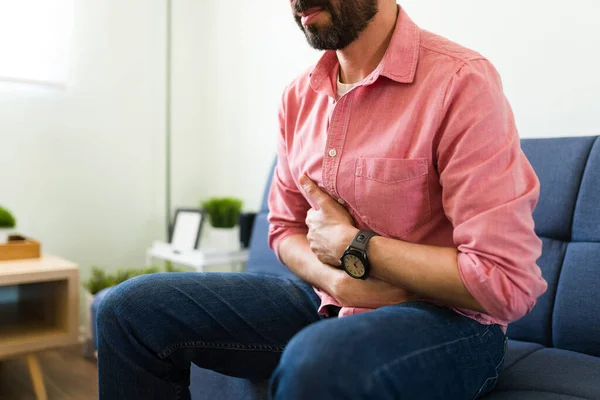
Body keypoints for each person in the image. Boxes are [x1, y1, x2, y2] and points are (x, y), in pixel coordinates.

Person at [97, 1, 548, 399]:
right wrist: (335, 282)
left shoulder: (460, 82)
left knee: (323, 362)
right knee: (128, 309)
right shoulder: (298, 98)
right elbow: (283, 228)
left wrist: (358, 247)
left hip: (451, 323)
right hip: (324, 299)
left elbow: (506, 281)